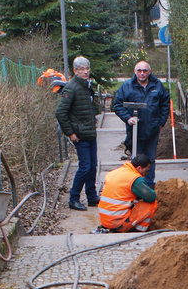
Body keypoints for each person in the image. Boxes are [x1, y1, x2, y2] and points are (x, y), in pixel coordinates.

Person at [113, 60, 170, 188]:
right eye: (139, 70)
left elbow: (165, 104)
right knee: (137, 159)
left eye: (145, 71)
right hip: (135, 131)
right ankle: (136, 185)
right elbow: (117, 105)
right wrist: (128, 118)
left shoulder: (157, 86)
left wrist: (161, 122)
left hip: (152, 129)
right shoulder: (127, 86)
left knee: (150, 158)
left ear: (149, 72)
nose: (142, 73)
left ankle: (149, 185)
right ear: (135, 72)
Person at [55, 55, 97, 211]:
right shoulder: (71, 88)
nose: (85, 72)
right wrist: (70, 133)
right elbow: (60, 112)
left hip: (90, 133)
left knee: (92, 166)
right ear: (75, 70)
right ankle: (74, 198)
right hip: (80, 136)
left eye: (87, 68)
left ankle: (92, 197)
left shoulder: (86, 86)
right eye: (81, 69)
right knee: (85, 167)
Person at [96, 153, 158, 232]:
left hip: (105, 220)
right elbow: (151, 197)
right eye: (146, 171)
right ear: (139, 168)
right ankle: (138, 230)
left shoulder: (115, 172)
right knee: (152, 204)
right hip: (117, 223)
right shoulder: (134, 178)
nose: (146, 174)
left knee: (134, 202)